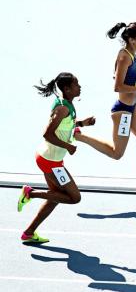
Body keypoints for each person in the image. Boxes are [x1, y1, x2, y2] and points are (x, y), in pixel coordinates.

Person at [74, 22, 136, 199]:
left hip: (132, 108)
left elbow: (123, 78)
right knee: (116, 153)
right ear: (132, 39)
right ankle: (78, 135)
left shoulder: (132, 55)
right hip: (123, 112)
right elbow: (118, 86)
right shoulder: (124, 56)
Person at [18, 73, 95, 243]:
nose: (79, 86)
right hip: (49, 162)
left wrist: (82, 123)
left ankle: (29, 233)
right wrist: (68, 146)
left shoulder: (66, 105)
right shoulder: (62, 109)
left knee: (55, 196)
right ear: (67, 89)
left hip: (52, 160)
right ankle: (30, 193)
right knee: (75, 198)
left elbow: (65, 126)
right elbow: (47, 134)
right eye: (76, 84)